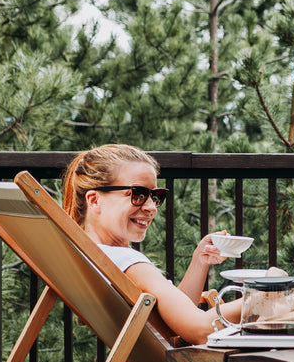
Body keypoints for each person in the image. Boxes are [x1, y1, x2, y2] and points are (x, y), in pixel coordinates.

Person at [60, 144, 255, 344]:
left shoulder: (92, 257)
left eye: (155, 196)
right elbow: (199, 329)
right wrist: (268, 296)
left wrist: (199, 260)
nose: (152, 207)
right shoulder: (128, 262)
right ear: (94, 200)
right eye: (138, 194)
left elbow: (173, 317)